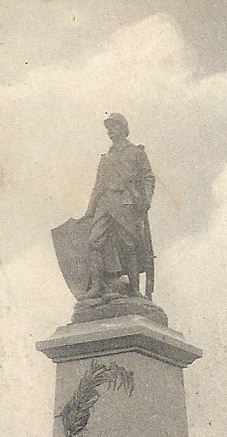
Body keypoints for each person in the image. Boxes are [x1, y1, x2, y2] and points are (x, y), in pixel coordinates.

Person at [83, 113, 155, 299]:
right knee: (94, 242)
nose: (109, 131)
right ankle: (97, 287)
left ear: (123, 129)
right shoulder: (105, 158)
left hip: (125, 203)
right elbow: (97, 186)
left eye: (113, 127)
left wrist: (146, 199)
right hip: (105, 205)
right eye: (108, 128)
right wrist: (89, 211)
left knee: (128, 246)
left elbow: (148, 177)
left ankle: (134, 289)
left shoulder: (136, 152)